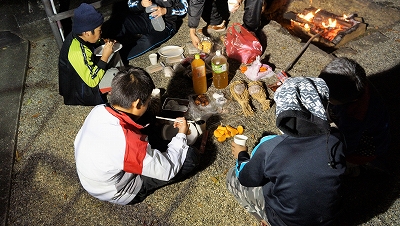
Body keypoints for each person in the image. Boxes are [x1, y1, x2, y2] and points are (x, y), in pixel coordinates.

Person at [226, 77, 346, 226]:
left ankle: (266, 219)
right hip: (328, 220)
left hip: (286, 222)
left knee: (232, 176)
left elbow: (246, 178)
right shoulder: (336, 139)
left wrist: (241, 155)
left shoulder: (270, 146)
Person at [74, 66, 199, 205]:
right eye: (147, 101)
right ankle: (140, 187)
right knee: (190, 157)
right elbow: (168, 169)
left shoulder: (99, 110)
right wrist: (181, 135)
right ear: (137, 103)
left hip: (95, 178)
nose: (148, 103)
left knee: (147, 121)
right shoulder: (127, 144)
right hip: (120, 191)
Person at [318, 57, 391, 174]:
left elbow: (347, 145)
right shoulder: (357, 84)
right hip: (354, 122)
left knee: (327, 159)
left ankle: (358, 166)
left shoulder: (354, 117)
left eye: (329, 98)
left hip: (369, 145)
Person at [59, 3, 123, 106]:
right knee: (114, 74)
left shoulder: (78, 35)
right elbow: (92, 81)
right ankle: (119, 84)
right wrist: (104, 57)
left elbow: (91, 44)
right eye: (99, 30)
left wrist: (103, 42)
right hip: (82, 92)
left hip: (86, 77)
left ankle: (120, 78)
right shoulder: (77, 51)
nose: (101, 33)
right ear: (87, 33)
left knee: (113, 50)